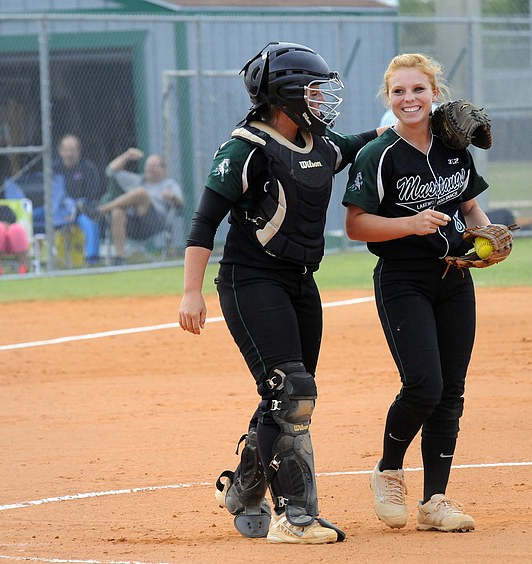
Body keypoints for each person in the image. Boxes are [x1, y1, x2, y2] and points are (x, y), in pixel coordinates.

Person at [177, 41, 385, 545]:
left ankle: (246, 488)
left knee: (291, 396)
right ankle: (297, 518)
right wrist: (191, 293)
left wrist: (404, 124)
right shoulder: (244, 148)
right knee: (291, 391)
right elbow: (205, 222)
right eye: (313, 90)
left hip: (300, 283)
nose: (321, 99)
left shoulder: (319, 142)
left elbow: (356, 145)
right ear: (286, 94)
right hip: (251, 281)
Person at [342, 53, 493, 533]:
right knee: (424, 385)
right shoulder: (378, 155)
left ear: (435, 94)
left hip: (455, 278)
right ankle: (387, 470)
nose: (409, 99)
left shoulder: (454, 146)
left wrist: (487, 238)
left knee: (451, 391)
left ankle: (435, 501)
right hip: (402, 279)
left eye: (418, 90)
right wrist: (410, 223)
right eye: (399, 92)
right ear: (389, 99)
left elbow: (469, 208)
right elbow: (355, 226)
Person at [99, 148, 183, 265]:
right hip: (133, 223)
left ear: (163, 169)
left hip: (154, 222)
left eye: (154, 166)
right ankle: (120, 258)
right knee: (117, 211)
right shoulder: (137, 180)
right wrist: (126, 155)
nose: (150, 169)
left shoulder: (169, 184)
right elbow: (110, 171)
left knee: (141, 193)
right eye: (148, 166)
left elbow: (180, 203)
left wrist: (172, 197)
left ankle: (102, 210)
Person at [53, 134, 103, 266]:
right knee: (34, 215)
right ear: (60, 152)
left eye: (72, 150)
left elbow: (92, 195)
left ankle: (91, 259)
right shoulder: (53, 169)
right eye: (66, 150)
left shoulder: (88, 168)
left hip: (81, 210)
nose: (69, 154)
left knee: (90, 223)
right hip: (59, 210)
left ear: (79, 152)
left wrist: (74, 209)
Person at [0, 202, 29, 275]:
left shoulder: (4, 209)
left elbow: (12, 223)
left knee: (16, 229)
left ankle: (23, 268)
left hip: (11, 242)